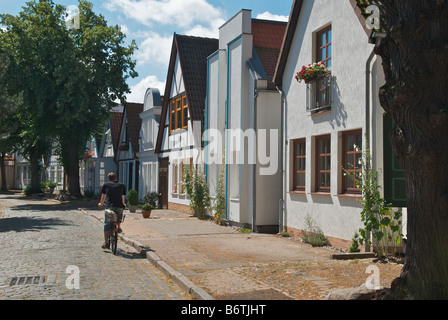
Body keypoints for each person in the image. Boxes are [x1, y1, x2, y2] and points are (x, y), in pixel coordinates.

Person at [98, 172, 126, 249]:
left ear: (109, 179)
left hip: (110, 207)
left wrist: (101, 203)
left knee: (107, 224)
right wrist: (123, 203)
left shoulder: (106, 185)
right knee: (119, 216)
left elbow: (103, 196)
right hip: (119, 206)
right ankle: (119, 227)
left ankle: (106, 243)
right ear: (116, 178)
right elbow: (122, 196)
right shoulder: (122, 185)